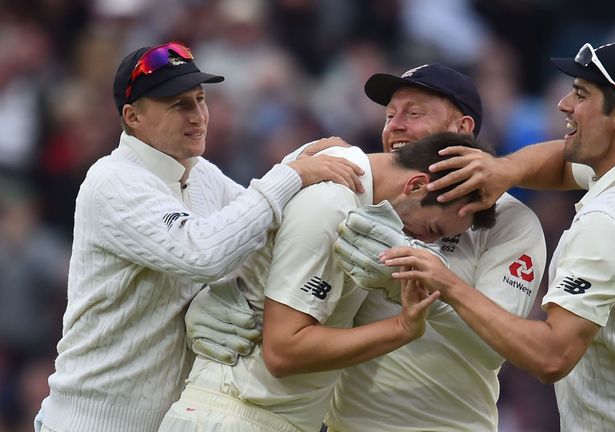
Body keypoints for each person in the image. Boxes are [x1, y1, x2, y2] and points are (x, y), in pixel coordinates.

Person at [189, 63, 546, 430]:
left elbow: (499, 347)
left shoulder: (510, 222)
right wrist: (223, 296)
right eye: (390, 114)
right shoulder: (350, 193)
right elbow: (249, 256)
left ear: (462, 128)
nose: (395, 126)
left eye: (415, 113)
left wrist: (421, 286)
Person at [37, 41, 364, 432]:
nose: (198, 116)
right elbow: (203, 253)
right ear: (133, 116)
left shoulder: (200, 171)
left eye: (201, 99)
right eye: (179, 104)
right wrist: (291, 173)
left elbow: (259, 233)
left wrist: (306, 168)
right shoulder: (111, 181)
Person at [382, 42, 615, 430]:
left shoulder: (606, 226)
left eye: (582, 94)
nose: (564, 104)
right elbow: (562, 162)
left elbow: (552, 356)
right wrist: (504, 170)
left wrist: (446, 283)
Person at [158, 132, 498, 432]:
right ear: (417, 185)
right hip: (238, 415)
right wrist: (403, 328)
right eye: (432, 230)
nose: (419, 241)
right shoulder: (332, 203)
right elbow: (284, 350)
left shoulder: (332, 171)